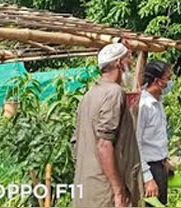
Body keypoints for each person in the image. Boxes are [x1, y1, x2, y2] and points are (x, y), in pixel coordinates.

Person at [72, 43, 142, 208]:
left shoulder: (89, 95)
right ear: (119, 63)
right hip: (106, 193)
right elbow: (104, 144)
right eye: (129, 59)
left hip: (87, 189)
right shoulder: (114, 93)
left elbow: (75, 144)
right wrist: (118, 191)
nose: (130, 64)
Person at [137, 60, 172, 204]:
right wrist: (147, 177)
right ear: (157, 81)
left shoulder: (157, 103)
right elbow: (136, 142)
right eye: (167, 78)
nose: (170, 82)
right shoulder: (144, 105)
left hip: (159, 166)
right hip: (149, 168)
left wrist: (165, 160)